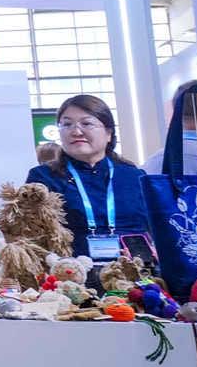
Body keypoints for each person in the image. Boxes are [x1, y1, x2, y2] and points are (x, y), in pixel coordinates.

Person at [27, 94, 152, 262]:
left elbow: (154, 228)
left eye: (86, 123)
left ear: (109, 133)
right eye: (67, 124)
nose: (76, 131)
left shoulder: (133, 176)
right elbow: (32, 236)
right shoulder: (43, 177)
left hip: (134, 268)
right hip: (72, 271)